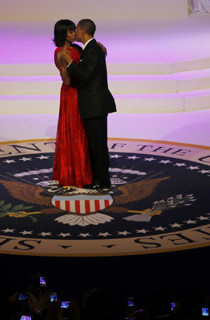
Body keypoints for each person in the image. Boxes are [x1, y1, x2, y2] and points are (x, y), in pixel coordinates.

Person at [61, 19, 117, 191]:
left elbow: (85, 76)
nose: (75, 33)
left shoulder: (92, 50)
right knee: (97, 144)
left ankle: (102, 181)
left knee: (97, 145)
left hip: (96, 105)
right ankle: (100, 178)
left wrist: (69, 62)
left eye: (77, 29)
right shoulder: (93, 49)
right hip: (95, 105)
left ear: (83, 31)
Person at [52, 20, 94, 188]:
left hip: (81, 93)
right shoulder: (59, 53)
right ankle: (73, 175)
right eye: (70, 31)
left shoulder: (77, 49)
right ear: (63, 34)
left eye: (74, 30)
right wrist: (65, 63)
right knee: (74, 133)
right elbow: (67, 80)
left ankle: (84, 171)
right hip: (71, 95)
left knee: (83, 133)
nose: (73, 33)